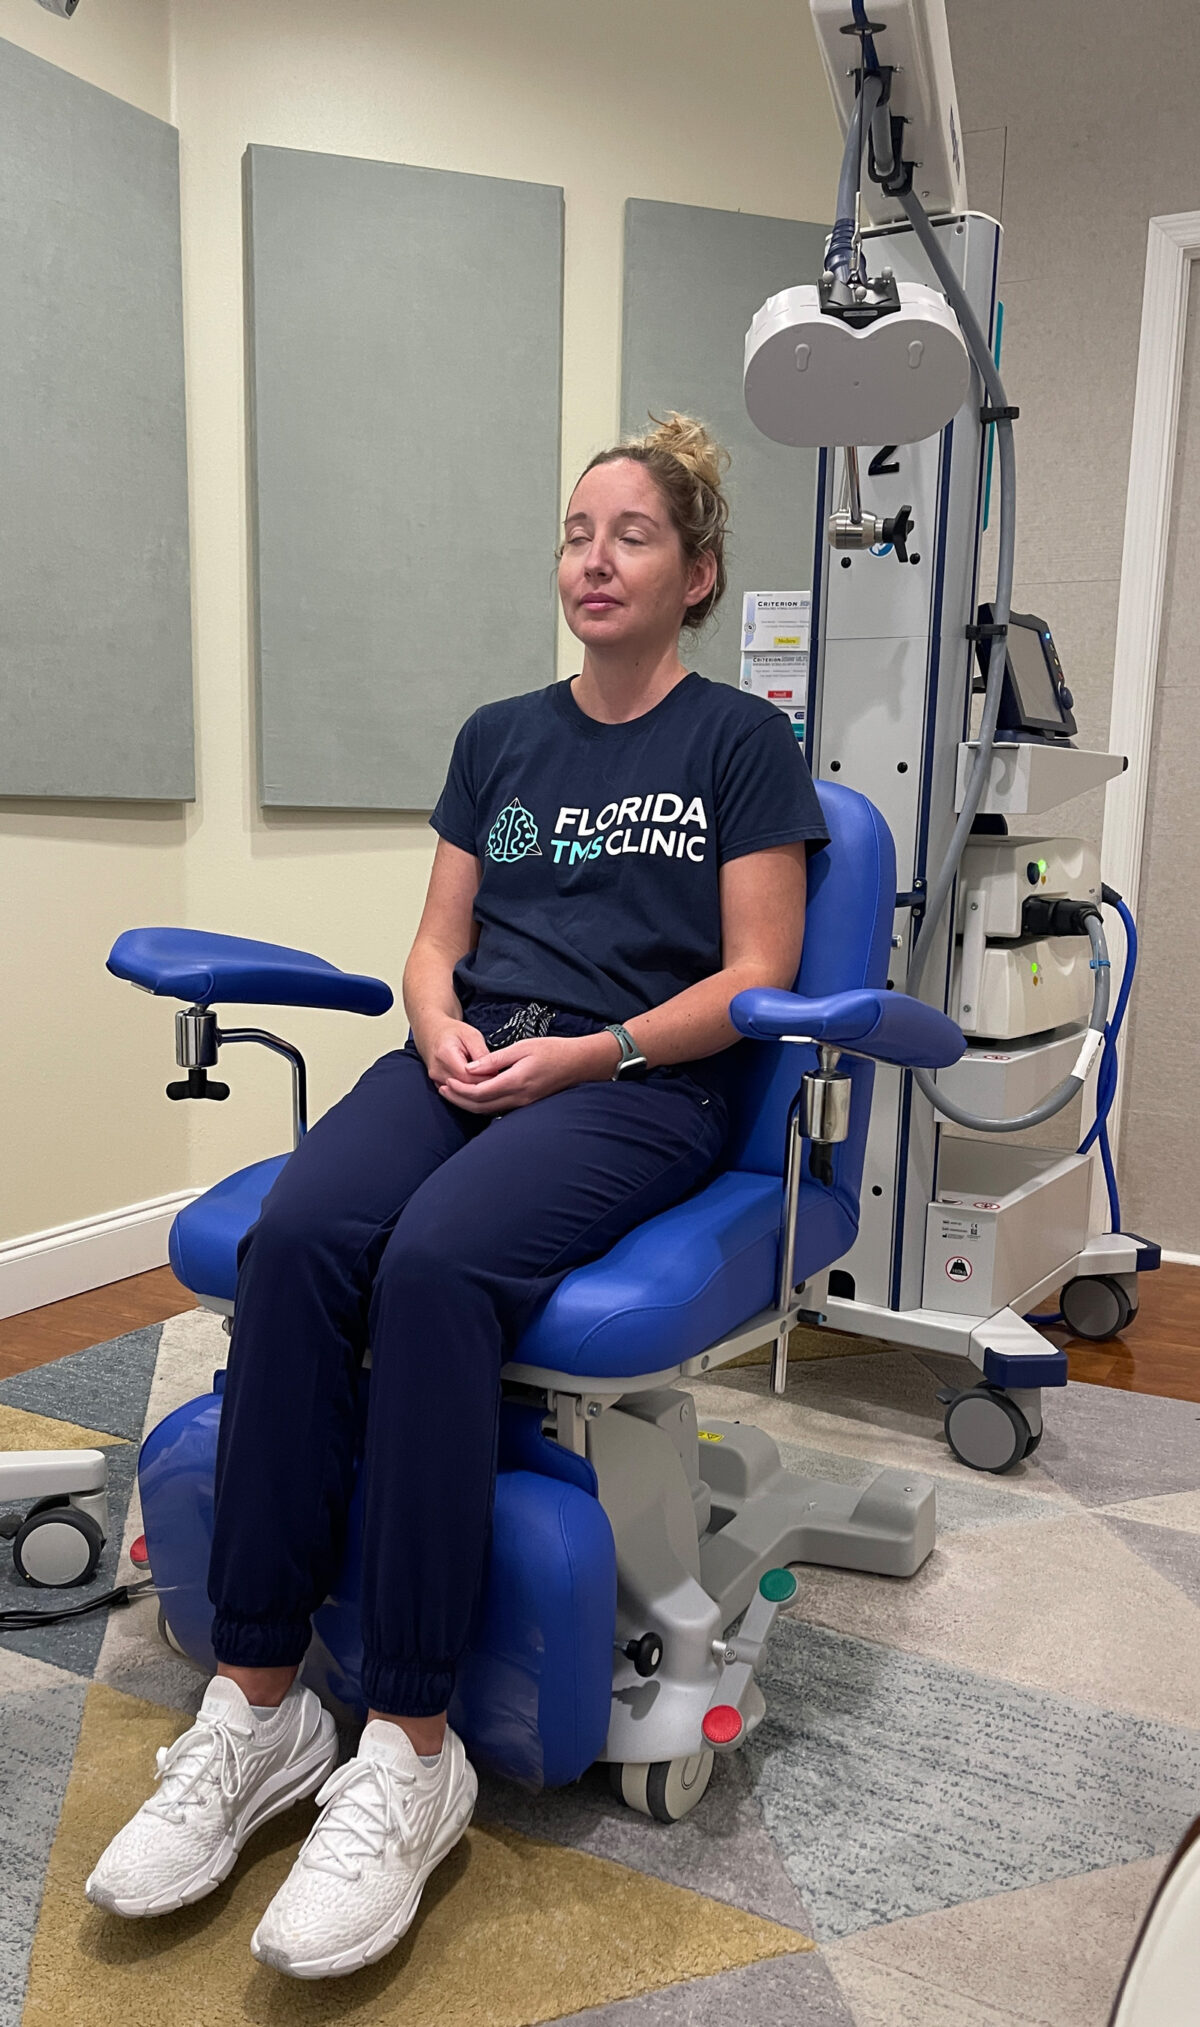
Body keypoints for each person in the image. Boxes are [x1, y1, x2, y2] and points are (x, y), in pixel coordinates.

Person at [85, 413, 830, 1980]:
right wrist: (438, 1024)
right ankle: (262, 1705)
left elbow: (758, 978)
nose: (595, 558)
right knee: (299, 1238)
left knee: (433, 1271)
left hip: (641, 1085)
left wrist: (590, 1057)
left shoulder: (740, 747)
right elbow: (436, 939)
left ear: (696, 575)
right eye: (576, 531)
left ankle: (414, 1749)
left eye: (632, 534)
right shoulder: (501, 735)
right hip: (471, 1053)